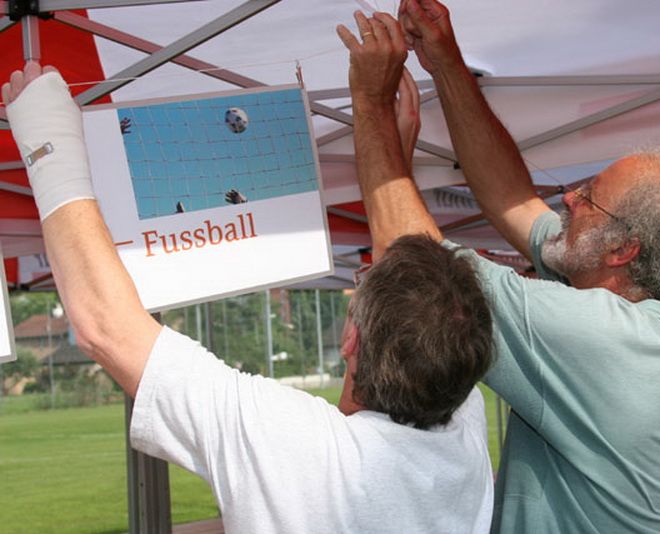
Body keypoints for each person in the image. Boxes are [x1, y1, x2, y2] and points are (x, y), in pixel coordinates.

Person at [2, 62, 495, 533]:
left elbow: (106, 327)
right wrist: (391, 149)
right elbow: (416, 296)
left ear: (351, 340)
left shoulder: (302, 449)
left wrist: (50, 145)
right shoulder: (463, 426)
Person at [338, 3, 660, 532]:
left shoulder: (604, 337)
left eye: (589, 197)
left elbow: (417, 268)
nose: (568, 197)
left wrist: (370, 103)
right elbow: (513, 199)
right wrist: (445, 60)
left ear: (621, 250)